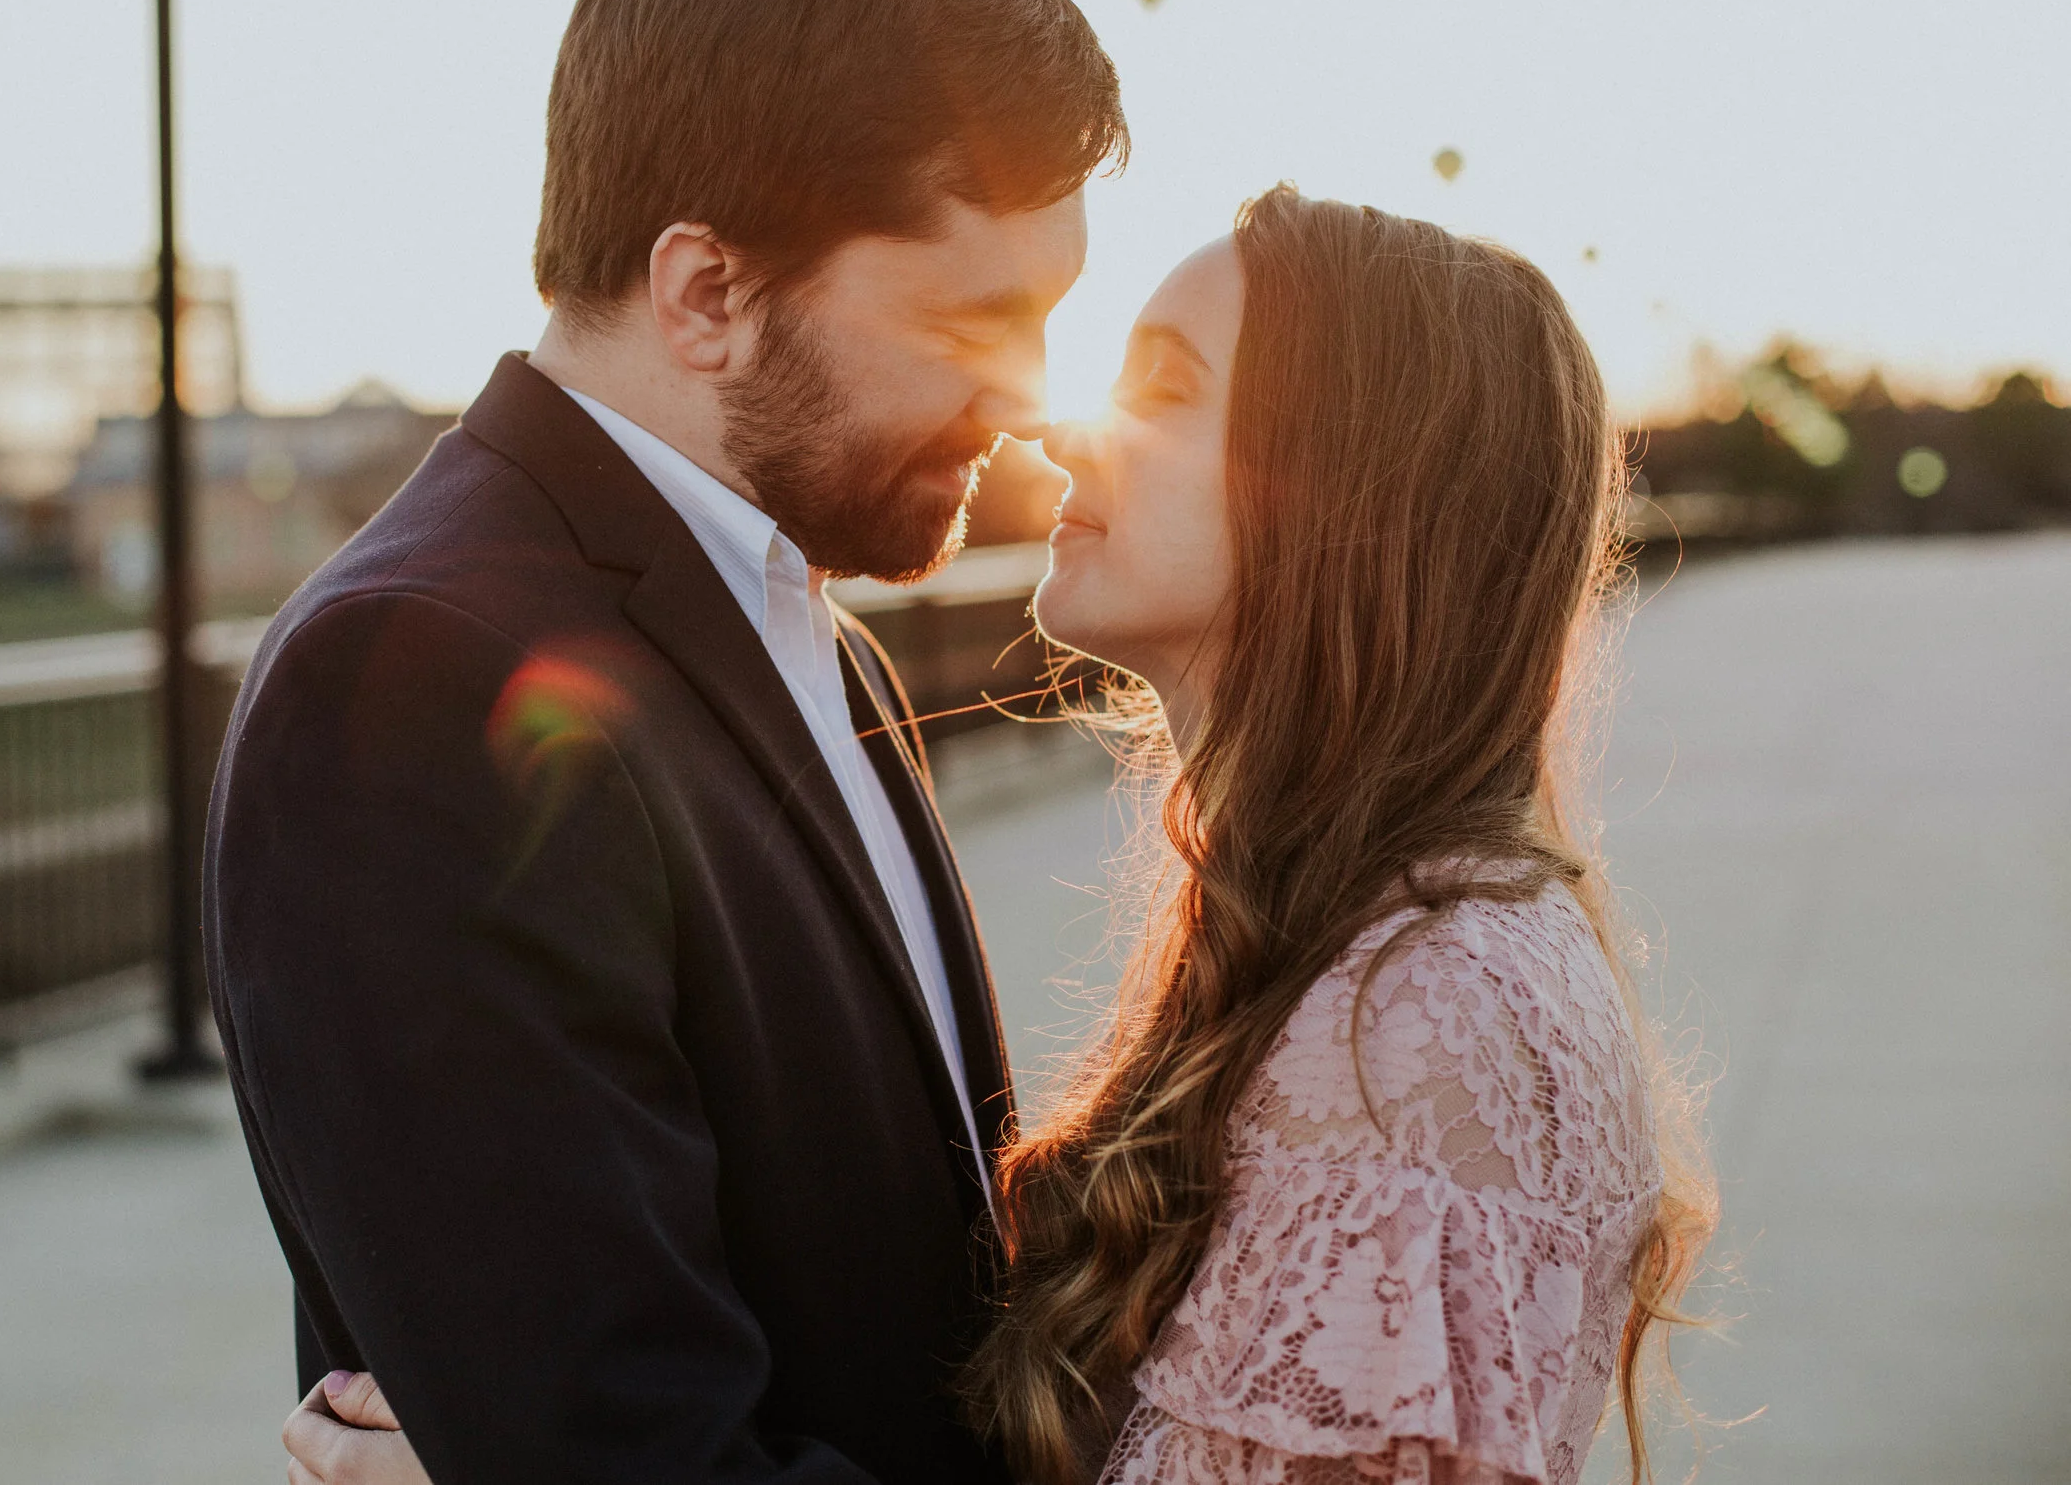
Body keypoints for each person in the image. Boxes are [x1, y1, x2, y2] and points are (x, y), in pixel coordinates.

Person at [287, 186, 1716, 1485]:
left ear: (1347, 493)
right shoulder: (1342, 945)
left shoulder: (1436, 1015)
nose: (1056, 421)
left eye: (1164, 390)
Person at [210, 0, 1124, 1485]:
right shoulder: (416, 687)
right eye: (969, 322)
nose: (1031, 394)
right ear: (706, 290)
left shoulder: (798, 613)